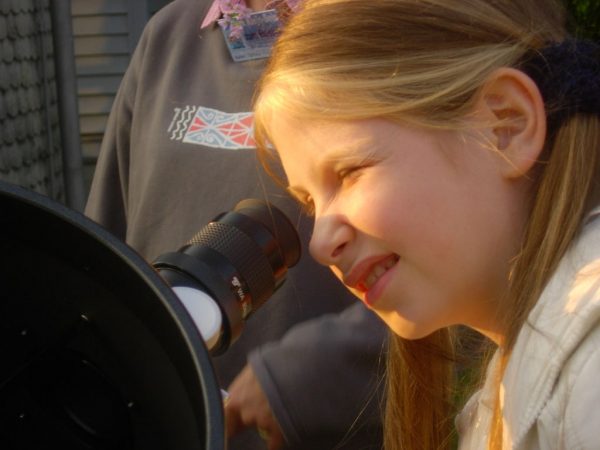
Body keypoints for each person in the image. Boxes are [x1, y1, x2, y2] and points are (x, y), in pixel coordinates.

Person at [252, 0, 600, 449]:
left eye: (349, 171)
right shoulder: (516, 389)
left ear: (505, 125)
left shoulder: (589, 372)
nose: (319, 243)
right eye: (310, 203)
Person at [84, 0, 387, 449]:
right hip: (158, 423)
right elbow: (101, 250)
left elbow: (471, 265)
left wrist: (315, 371)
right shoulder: (168, 36)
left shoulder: (391, 26)